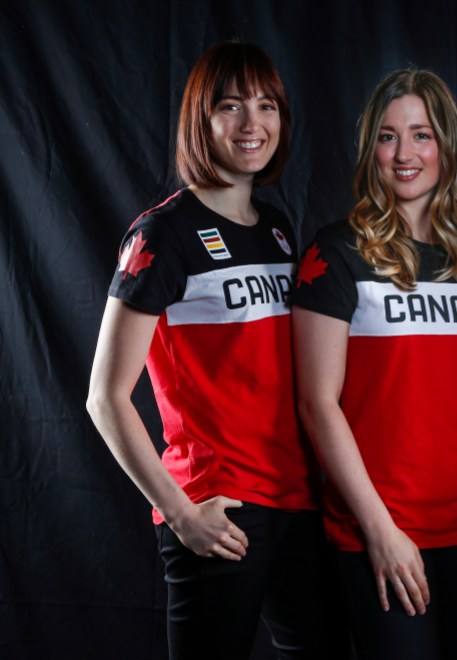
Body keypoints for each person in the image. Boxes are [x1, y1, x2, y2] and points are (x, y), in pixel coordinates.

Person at [86, 41, 347, 660]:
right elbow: (105, 396)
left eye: (266, 106)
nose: (251, 124)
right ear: (200, 120)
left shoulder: (278, 226)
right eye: (230, 107)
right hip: (220, 506)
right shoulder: (163, 233)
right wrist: (179, 513)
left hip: (299, 501)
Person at [291, 69, 457, 660]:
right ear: (370, 150)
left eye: (422, 135)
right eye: (387, 136)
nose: (404, 154)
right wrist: (380, 531)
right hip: (379, 529)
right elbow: (317, 403)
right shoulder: (336, 251)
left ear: (447, 148)